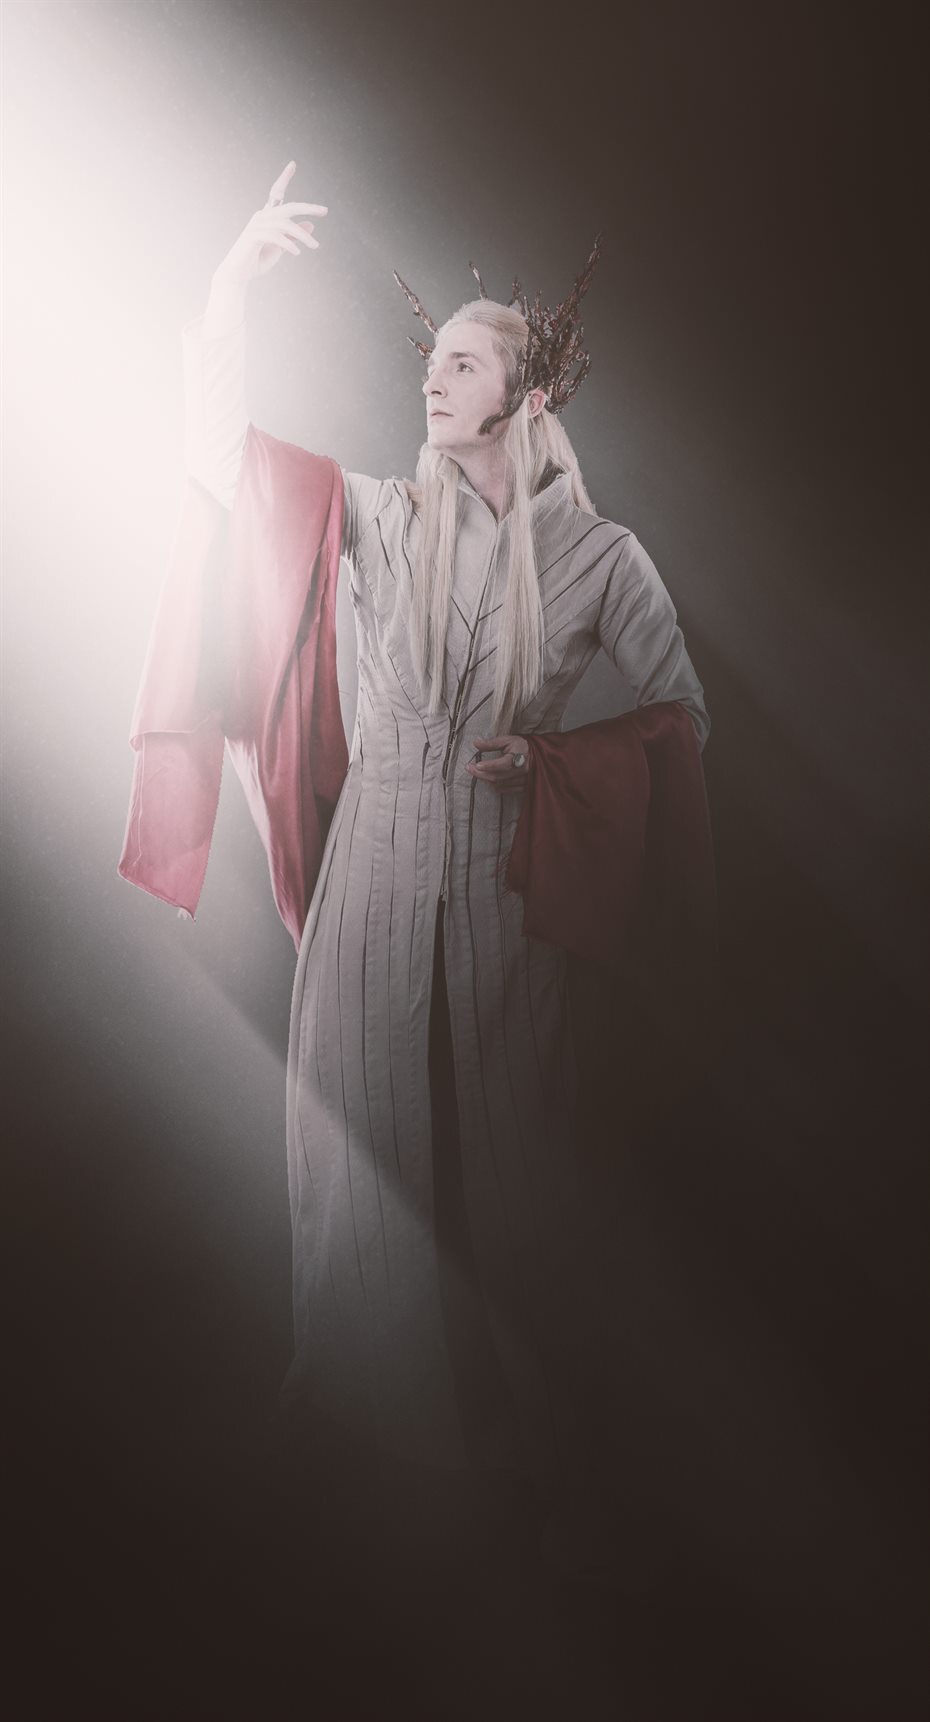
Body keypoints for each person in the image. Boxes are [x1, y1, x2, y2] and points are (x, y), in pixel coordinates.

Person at [143, 159, 711, 1517]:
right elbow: (224, 464)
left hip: (505, 884)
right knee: (354, 1146)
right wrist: (226, 293)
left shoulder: (601, 559)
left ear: (527, 393)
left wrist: (557, 763)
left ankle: (528, 1441)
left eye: (461, 363)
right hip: (372, 871)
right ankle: (363, 1433)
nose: (433, 381)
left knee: (512, 1153)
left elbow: (681, 718)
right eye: (431, 361)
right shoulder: (384, 518)